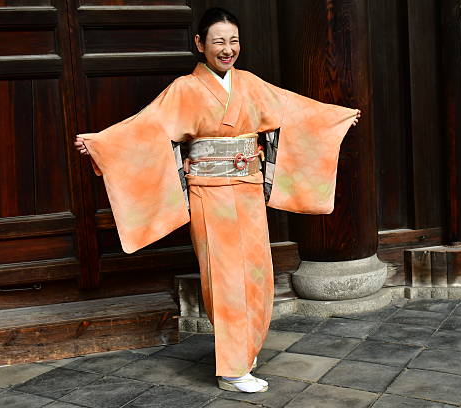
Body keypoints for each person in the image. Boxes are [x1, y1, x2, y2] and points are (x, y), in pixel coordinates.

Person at [75, 7, 360, 393]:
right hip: (209, 195)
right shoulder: (185, 89)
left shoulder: (250, 85)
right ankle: (231, 368)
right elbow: (146, 126)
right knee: (224, 279)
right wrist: (100, 144)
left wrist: (334, 119)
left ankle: (245, 349)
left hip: (247, 191)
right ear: (200, 44)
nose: (228, 50)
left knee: (257, 274)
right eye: (219, 42)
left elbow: (294, 110)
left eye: (233, 41)